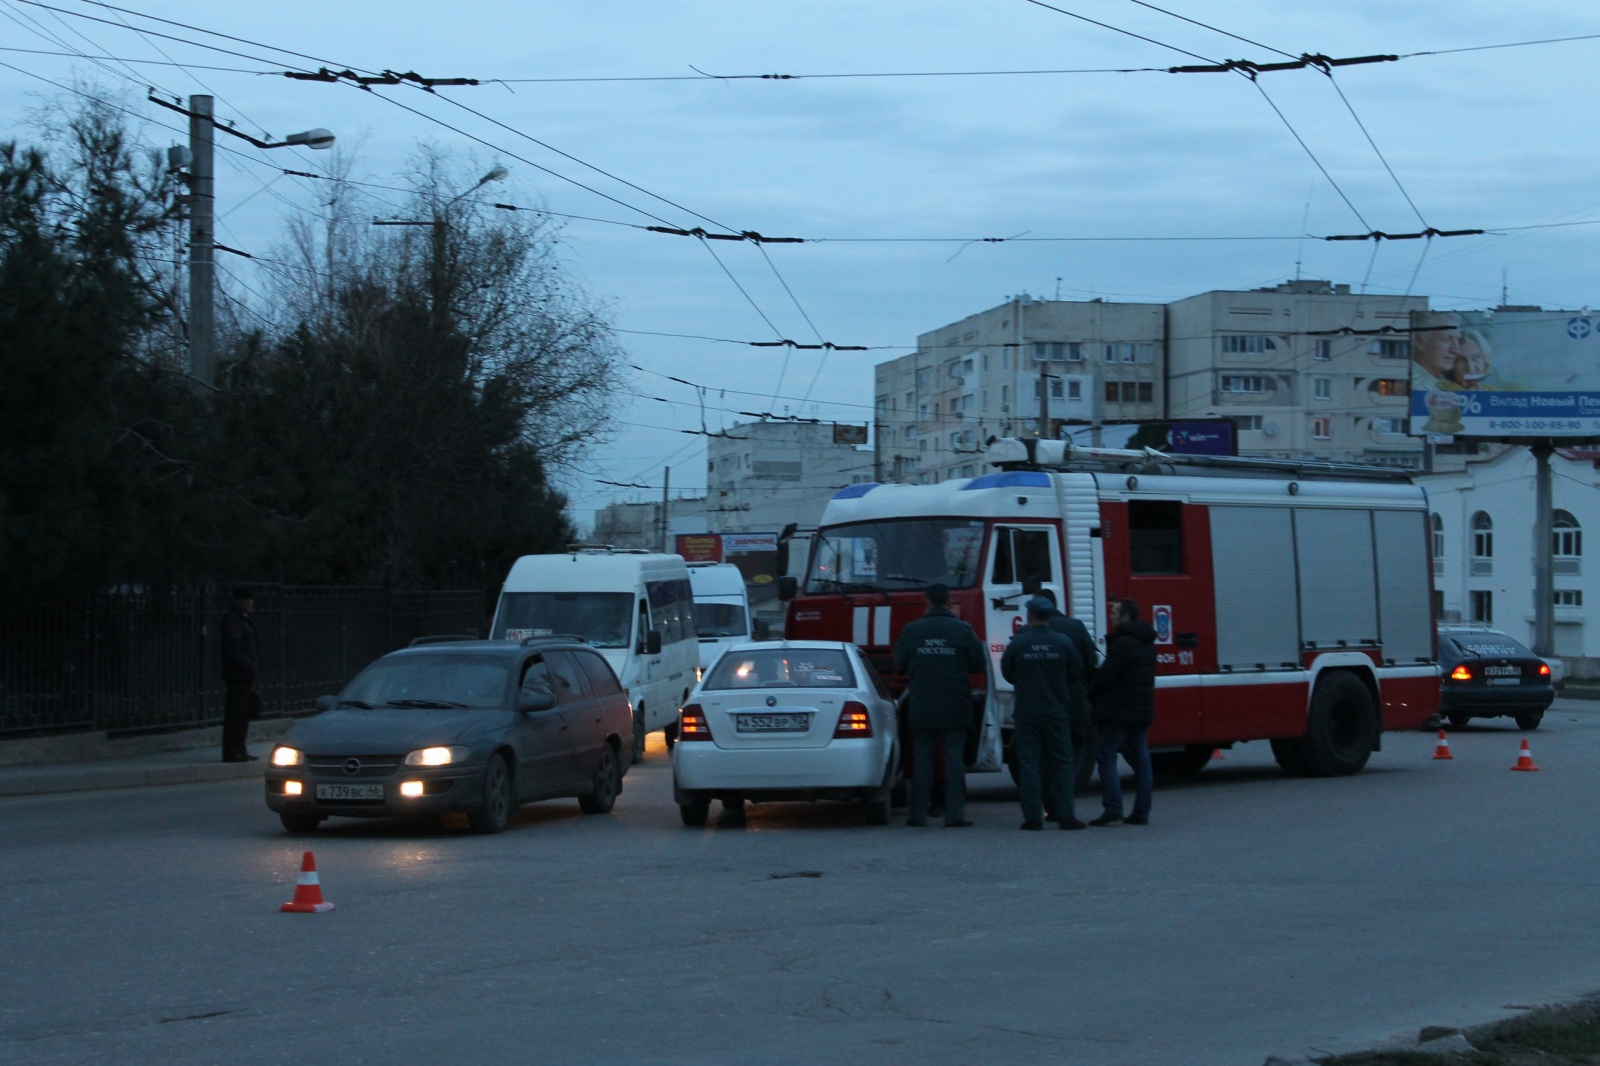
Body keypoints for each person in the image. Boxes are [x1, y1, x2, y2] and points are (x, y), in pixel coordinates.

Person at [892, 582, 986, 827]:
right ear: (948, 601)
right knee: (954, 759)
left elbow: (900, 662)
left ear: (926, 602)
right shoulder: (963, 630)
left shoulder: (912, 630)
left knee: (923, 758)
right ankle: (954, 815)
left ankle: (917, 815)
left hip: (922, 702)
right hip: (956, 703)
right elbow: (978, 664)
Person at [1001, 598, 1087, 831]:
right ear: (1050, 617)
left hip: (1027, 710)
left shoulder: (1018, 642)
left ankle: (1032, 817)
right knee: (1062, 762)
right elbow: (1075, 672)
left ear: (1029, 616)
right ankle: (1066, 815)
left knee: (1029, 762)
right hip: (1056, 710)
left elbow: (1008, 673)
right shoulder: (1063, 642)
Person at [1089, 598, 1157, 826]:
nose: (1112, 615)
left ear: (1126, 617)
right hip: (1141, 708)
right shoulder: (1147, 642)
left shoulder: (1123, 643)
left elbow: (1108, 676)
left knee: (1106, 755)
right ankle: (1142, 811)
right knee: (1140, 756)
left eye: (1116, 612)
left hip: (1119, 709)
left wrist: (1092, 689)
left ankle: (1113, 808)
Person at [220, 587, 261, 763]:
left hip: (244, 675)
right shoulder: (233, 621)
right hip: (237, 675)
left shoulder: (242, 620)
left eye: (251, 601)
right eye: (246, 600)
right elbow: (232, 648)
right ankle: (232, 751)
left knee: (243, 714)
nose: (250, 604)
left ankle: (240, 749)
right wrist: (250, 665)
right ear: (237, 600)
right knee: (235, 714)